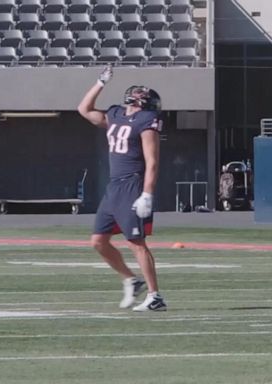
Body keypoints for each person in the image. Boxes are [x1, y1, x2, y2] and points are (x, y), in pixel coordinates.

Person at [77, 65, 166, 311]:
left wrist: (147, 193)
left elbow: (153, 161)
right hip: (115, 186)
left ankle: (155, 295)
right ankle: (131, 279)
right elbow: (83, 109)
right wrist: (100, 83)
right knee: (98, 241)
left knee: (135, 241)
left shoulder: (147, 122)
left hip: (132, 184)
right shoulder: (115, 114)